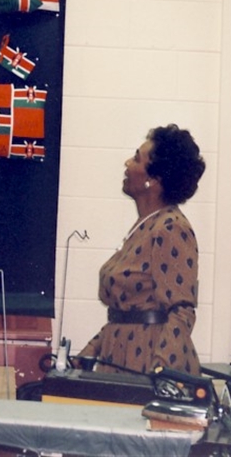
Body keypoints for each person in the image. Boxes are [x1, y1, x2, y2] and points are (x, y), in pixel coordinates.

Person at [77, 124, 206, 376]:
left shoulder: (171, 228)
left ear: (153, 179)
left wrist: (160, 371)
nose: (127, 163)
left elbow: (181, 311)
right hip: (120, 358)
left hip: (147, 362)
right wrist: (87, 354)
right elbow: (125, 316)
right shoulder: (146, 227)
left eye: (136, 158)